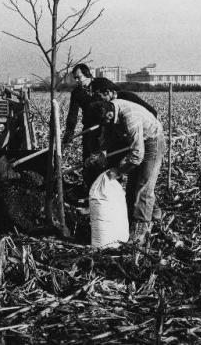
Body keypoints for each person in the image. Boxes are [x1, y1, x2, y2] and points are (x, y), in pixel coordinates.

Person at [88, 98, 165, 245]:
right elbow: (106, 137)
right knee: (132, 187)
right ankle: (155, 218)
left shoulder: (130, 118)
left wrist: (119, 171)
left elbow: (137, 155)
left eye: (104, 121)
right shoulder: (107, 111)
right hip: (137, 143)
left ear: (109, 115)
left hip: (152, 141)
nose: (103, 125)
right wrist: (101, 153)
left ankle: (141, 228)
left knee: (144, 185)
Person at [62, 64, 99, 187]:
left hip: (106, 128)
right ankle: (88, 189)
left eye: (79, 77)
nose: (77, 80)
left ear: (87, 74)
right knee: (87, 160)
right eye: (75, 78)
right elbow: (73, 115)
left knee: (105, 160)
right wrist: (69, 133)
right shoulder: (77, 93)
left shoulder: (101, 85)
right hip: (89, 129)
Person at [91, 77, 158, 118]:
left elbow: (152, 112)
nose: (98, 99)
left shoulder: (128, 97)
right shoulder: (108, 104)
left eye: (99, 96)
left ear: (107, 92)